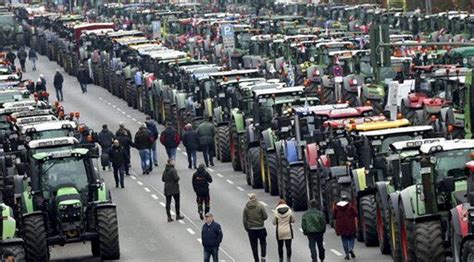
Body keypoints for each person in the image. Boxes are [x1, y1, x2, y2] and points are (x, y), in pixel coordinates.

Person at [243, 193, 268, 262]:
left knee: (254, 246)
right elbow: (265, 216)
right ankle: (263, 256)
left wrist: (247, 229)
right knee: (263, 242)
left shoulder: (246, 208)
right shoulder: (260, 206)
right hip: (260, 228)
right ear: (255, 198)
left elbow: (244, 220)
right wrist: (260, 220)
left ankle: (256, 259)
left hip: (251, 229)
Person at [333, 194, 357, 260]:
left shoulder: (336, 207)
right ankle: (351, 248)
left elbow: (334, 216)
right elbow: (355, 214)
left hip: (341, 226)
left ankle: (347, 254)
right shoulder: (350, 206)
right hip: (350, 225)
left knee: (344, 239)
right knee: (352, 238)